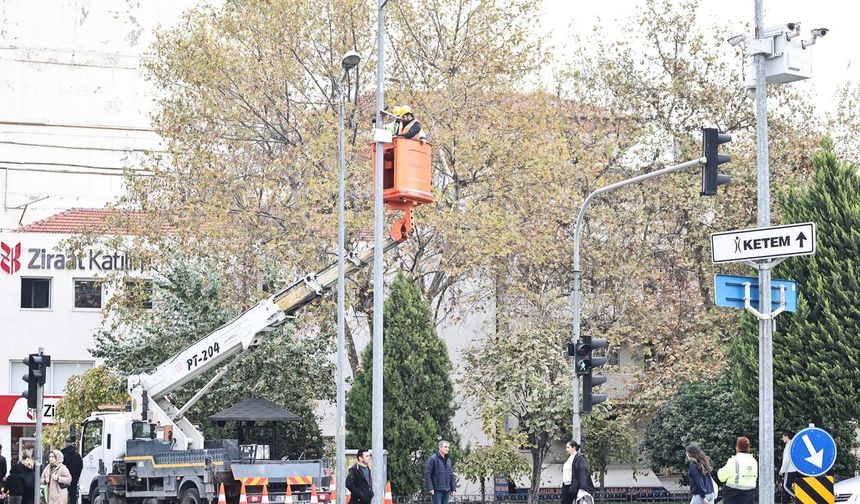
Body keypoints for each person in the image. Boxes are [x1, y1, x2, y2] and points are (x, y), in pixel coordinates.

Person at [717, 437, 758, 504]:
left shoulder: (733, 461)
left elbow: (721, 477)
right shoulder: (754, 461)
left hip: (733, 496)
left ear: (737, 448)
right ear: (749, 449)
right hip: (750, 496)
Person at [61, 439, 83, 504]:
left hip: (63, 479)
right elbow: (80, 466)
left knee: (62, 496)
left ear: (65, 444)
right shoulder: (77, 455)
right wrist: (77, 476)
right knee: (73, 496)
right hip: (74, 479)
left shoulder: (62, 455)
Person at [779, 431, 798, 502]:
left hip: (789, 470)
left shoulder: (788, 446)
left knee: (786, 487)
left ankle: (798, 498)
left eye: (783, 437)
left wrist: (782, 470)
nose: (782, 439)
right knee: (788, 487)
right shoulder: (793, 445)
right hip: (794, 469)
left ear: (787, 437)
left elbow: (787, 459)